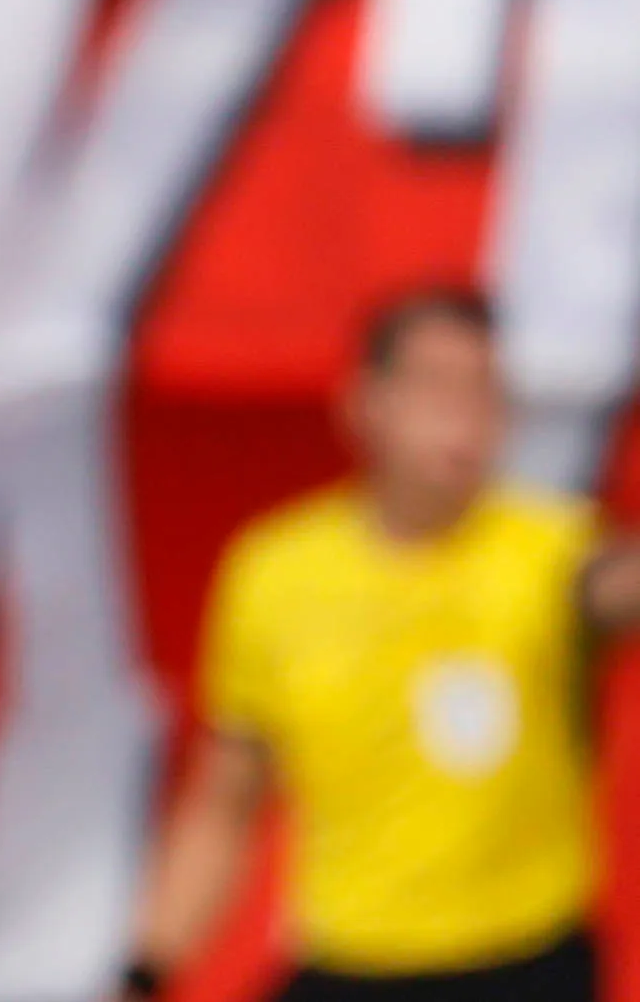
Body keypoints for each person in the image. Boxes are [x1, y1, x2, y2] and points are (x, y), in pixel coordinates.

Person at [125, 289, 640, 1002]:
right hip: (356, 963)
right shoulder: (277, 572)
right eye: (437, 385)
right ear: (366, 402)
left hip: (528, 961)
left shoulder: (549, 547)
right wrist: (144, 968)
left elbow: (615, 587)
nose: (462, 413)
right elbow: (223, 804)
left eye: (482, 388)